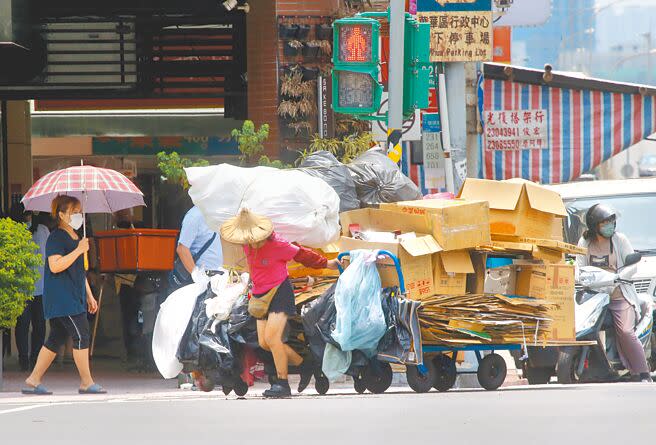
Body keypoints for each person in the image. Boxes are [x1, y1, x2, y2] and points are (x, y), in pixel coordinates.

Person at [220, 208, 340, 398]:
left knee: (274, 339)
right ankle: (306, 364)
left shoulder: (278, 244)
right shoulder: (246, 244)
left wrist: (328, 264)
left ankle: (282, 385)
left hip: (279, 292)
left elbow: (302, 255)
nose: (249, 241)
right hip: (259, 296)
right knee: (264, 342)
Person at [22, 195, 104, 395]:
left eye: (79, 212)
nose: (78, 216)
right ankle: (86, 381)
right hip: (62, 299)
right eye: (74, 212)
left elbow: (79, 271)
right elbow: (55, 265)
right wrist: (78, 251)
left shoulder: (77, 237)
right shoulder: (56, 237)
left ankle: (33, 379)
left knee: (55, 338)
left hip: (74, 297)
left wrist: (90, 296)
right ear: (61, 214)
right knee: (81, 335)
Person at [576, 204, 652, 383]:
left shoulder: (620, 240)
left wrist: (619, 276)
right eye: (605, 222)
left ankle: (642, 372)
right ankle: (599, 368)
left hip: (618, 295)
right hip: (593, 298)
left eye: (611, 221)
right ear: (595, 225)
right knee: (583, 330)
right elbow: (579, 268)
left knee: (625, 332)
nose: (610, 224)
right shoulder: (584, 242)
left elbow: (631, 265)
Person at [15, 212, 49, 371]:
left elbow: (49, 255)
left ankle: (36, 357)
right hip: (22, 287)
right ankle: (24, 358)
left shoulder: (43, 229)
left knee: (39, 325)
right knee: (22, 324)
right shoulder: (16, 230)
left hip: (41, 286)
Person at [177, 206, 223, 274]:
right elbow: (182, 249)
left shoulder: (214, 215)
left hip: (216, 274)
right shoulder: (194, 215)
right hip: (202, 274)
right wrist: (197, 276)